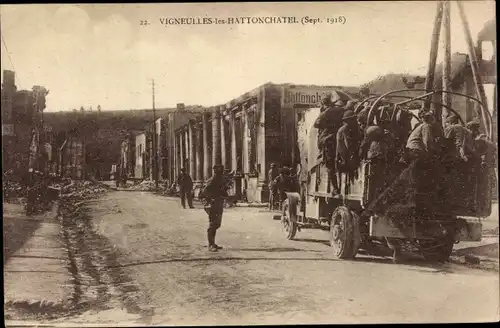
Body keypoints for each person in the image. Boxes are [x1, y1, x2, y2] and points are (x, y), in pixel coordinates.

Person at [313, 95, 346, 195]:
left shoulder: (325, 113)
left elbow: (316, 124)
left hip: (329, 141)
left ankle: (335, 188)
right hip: (341, 138)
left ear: (323, 103)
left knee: (329, 165)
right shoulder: (340, 110)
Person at [200, 164, 228, 252]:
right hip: (212, 204)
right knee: (212, 224)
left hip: (218, 204)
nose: (222, 171)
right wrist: (210, 199)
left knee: (217, 224)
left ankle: (213, 243)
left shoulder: (220, 180)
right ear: (216, 171)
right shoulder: (212, 180)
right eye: (220, 170)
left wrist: (224, 191)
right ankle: (210, 245)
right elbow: (204, 192)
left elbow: (222, 192)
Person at [336, 109, 363, 189]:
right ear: (347, 120)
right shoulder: (343, 130)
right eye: (352, 119)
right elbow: (345, 147)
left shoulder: (356, 129)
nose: (355, 121)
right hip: (346, 157)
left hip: (352, 155)